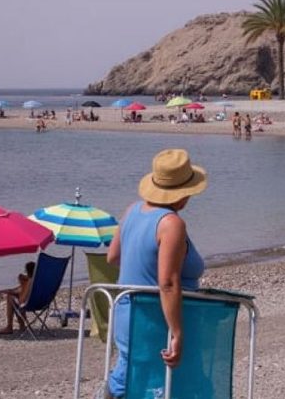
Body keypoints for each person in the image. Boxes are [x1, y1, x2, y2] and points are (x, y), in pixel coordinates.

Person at [105, 149, 207, 398]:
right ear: (183, 193)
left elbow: (113, 257)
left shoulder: (133, 210)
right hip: (155, 317)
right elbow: (168, 282)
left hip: (127, 308)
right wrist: (177, 332)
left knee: (128, 375)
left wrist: (142, 272)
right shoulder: (171, 224)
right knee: (163, 382)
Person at [0, 261, 36, 335]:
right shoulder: (38, 281)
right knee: (16, 298)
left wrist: (0, 291)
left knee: (10, 297)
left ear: (27, 271)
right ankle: (22, 325)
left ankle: (9, 327)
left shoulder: (29, 282)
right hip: (41, 303)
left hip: (28, 304)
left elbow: (15, 292)